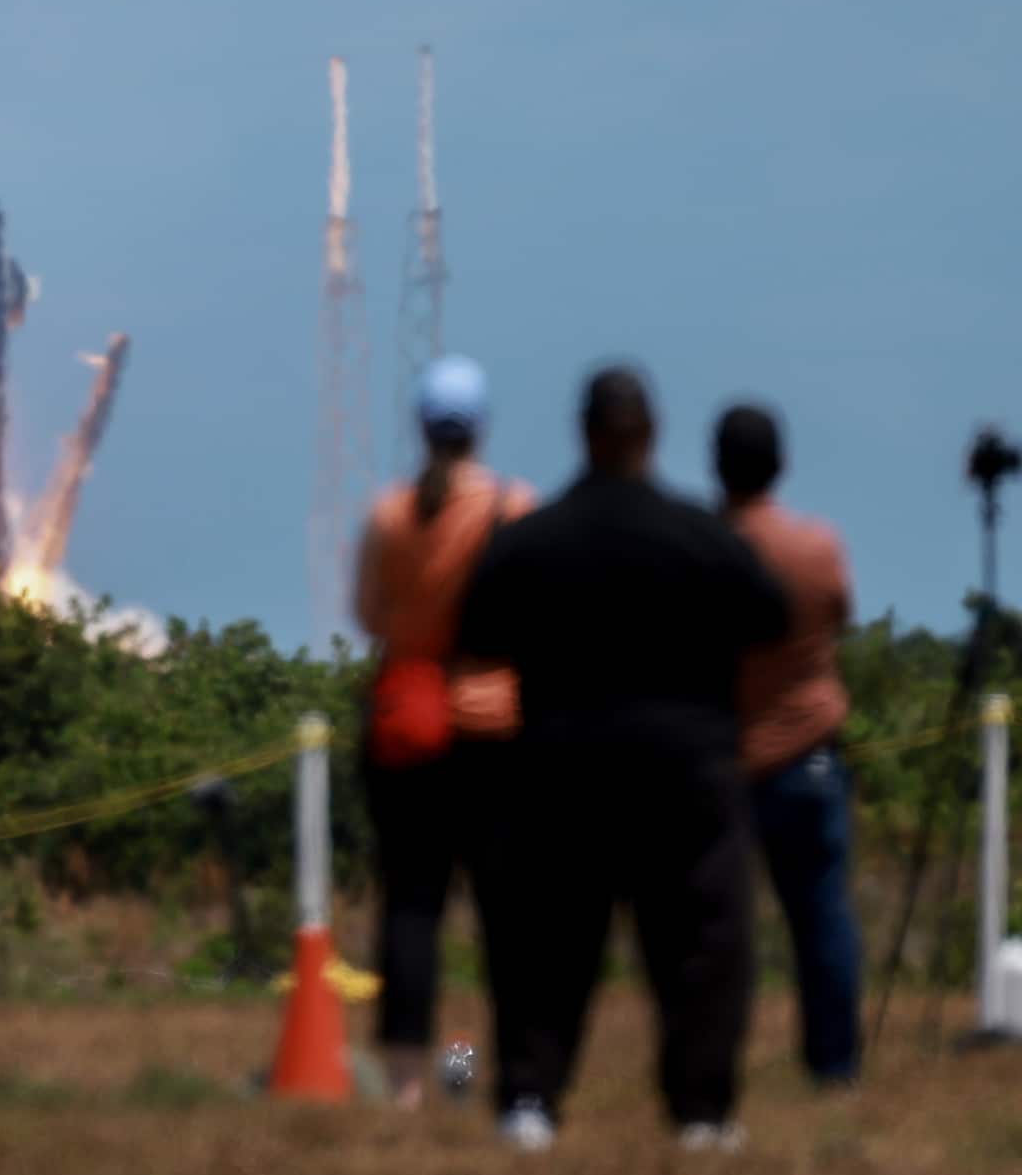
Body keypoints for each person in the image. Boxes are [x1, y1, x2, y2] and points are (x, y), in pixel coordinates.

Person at [455, 365, 790, 1154]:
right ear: (652, 433)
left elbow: (476, 632)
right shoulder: (700, 535)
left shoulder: (531, 538)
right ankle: (703, 1110)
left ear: (586, 433)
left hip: (561, 768)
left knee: (544, 943)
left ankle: (529, 1098)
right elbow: (770, 616)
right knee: (702, 942)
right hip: (686, 769)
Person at [352, 355, 536, 1110]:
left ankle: (406, 1084)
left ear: (420, 427)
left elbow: (369, 615)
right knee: (509, 912)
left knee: (411, 909)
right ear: (481, 425)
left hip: (411, 730)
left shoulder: (391, 514)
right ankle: (510, 1075)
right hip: (496, 730)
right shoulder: (515, 509)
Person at [715, 402, 862, 1087]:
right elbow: (839, 612)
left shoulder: (709, 548)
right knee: (823, 917)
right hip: (809, 752)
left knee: (717, 928)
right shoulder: (816, 544)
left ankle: (715, 1065)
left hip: (730, 761)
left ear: (719, 468)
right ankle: (834, 1068)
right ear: (781, 464)